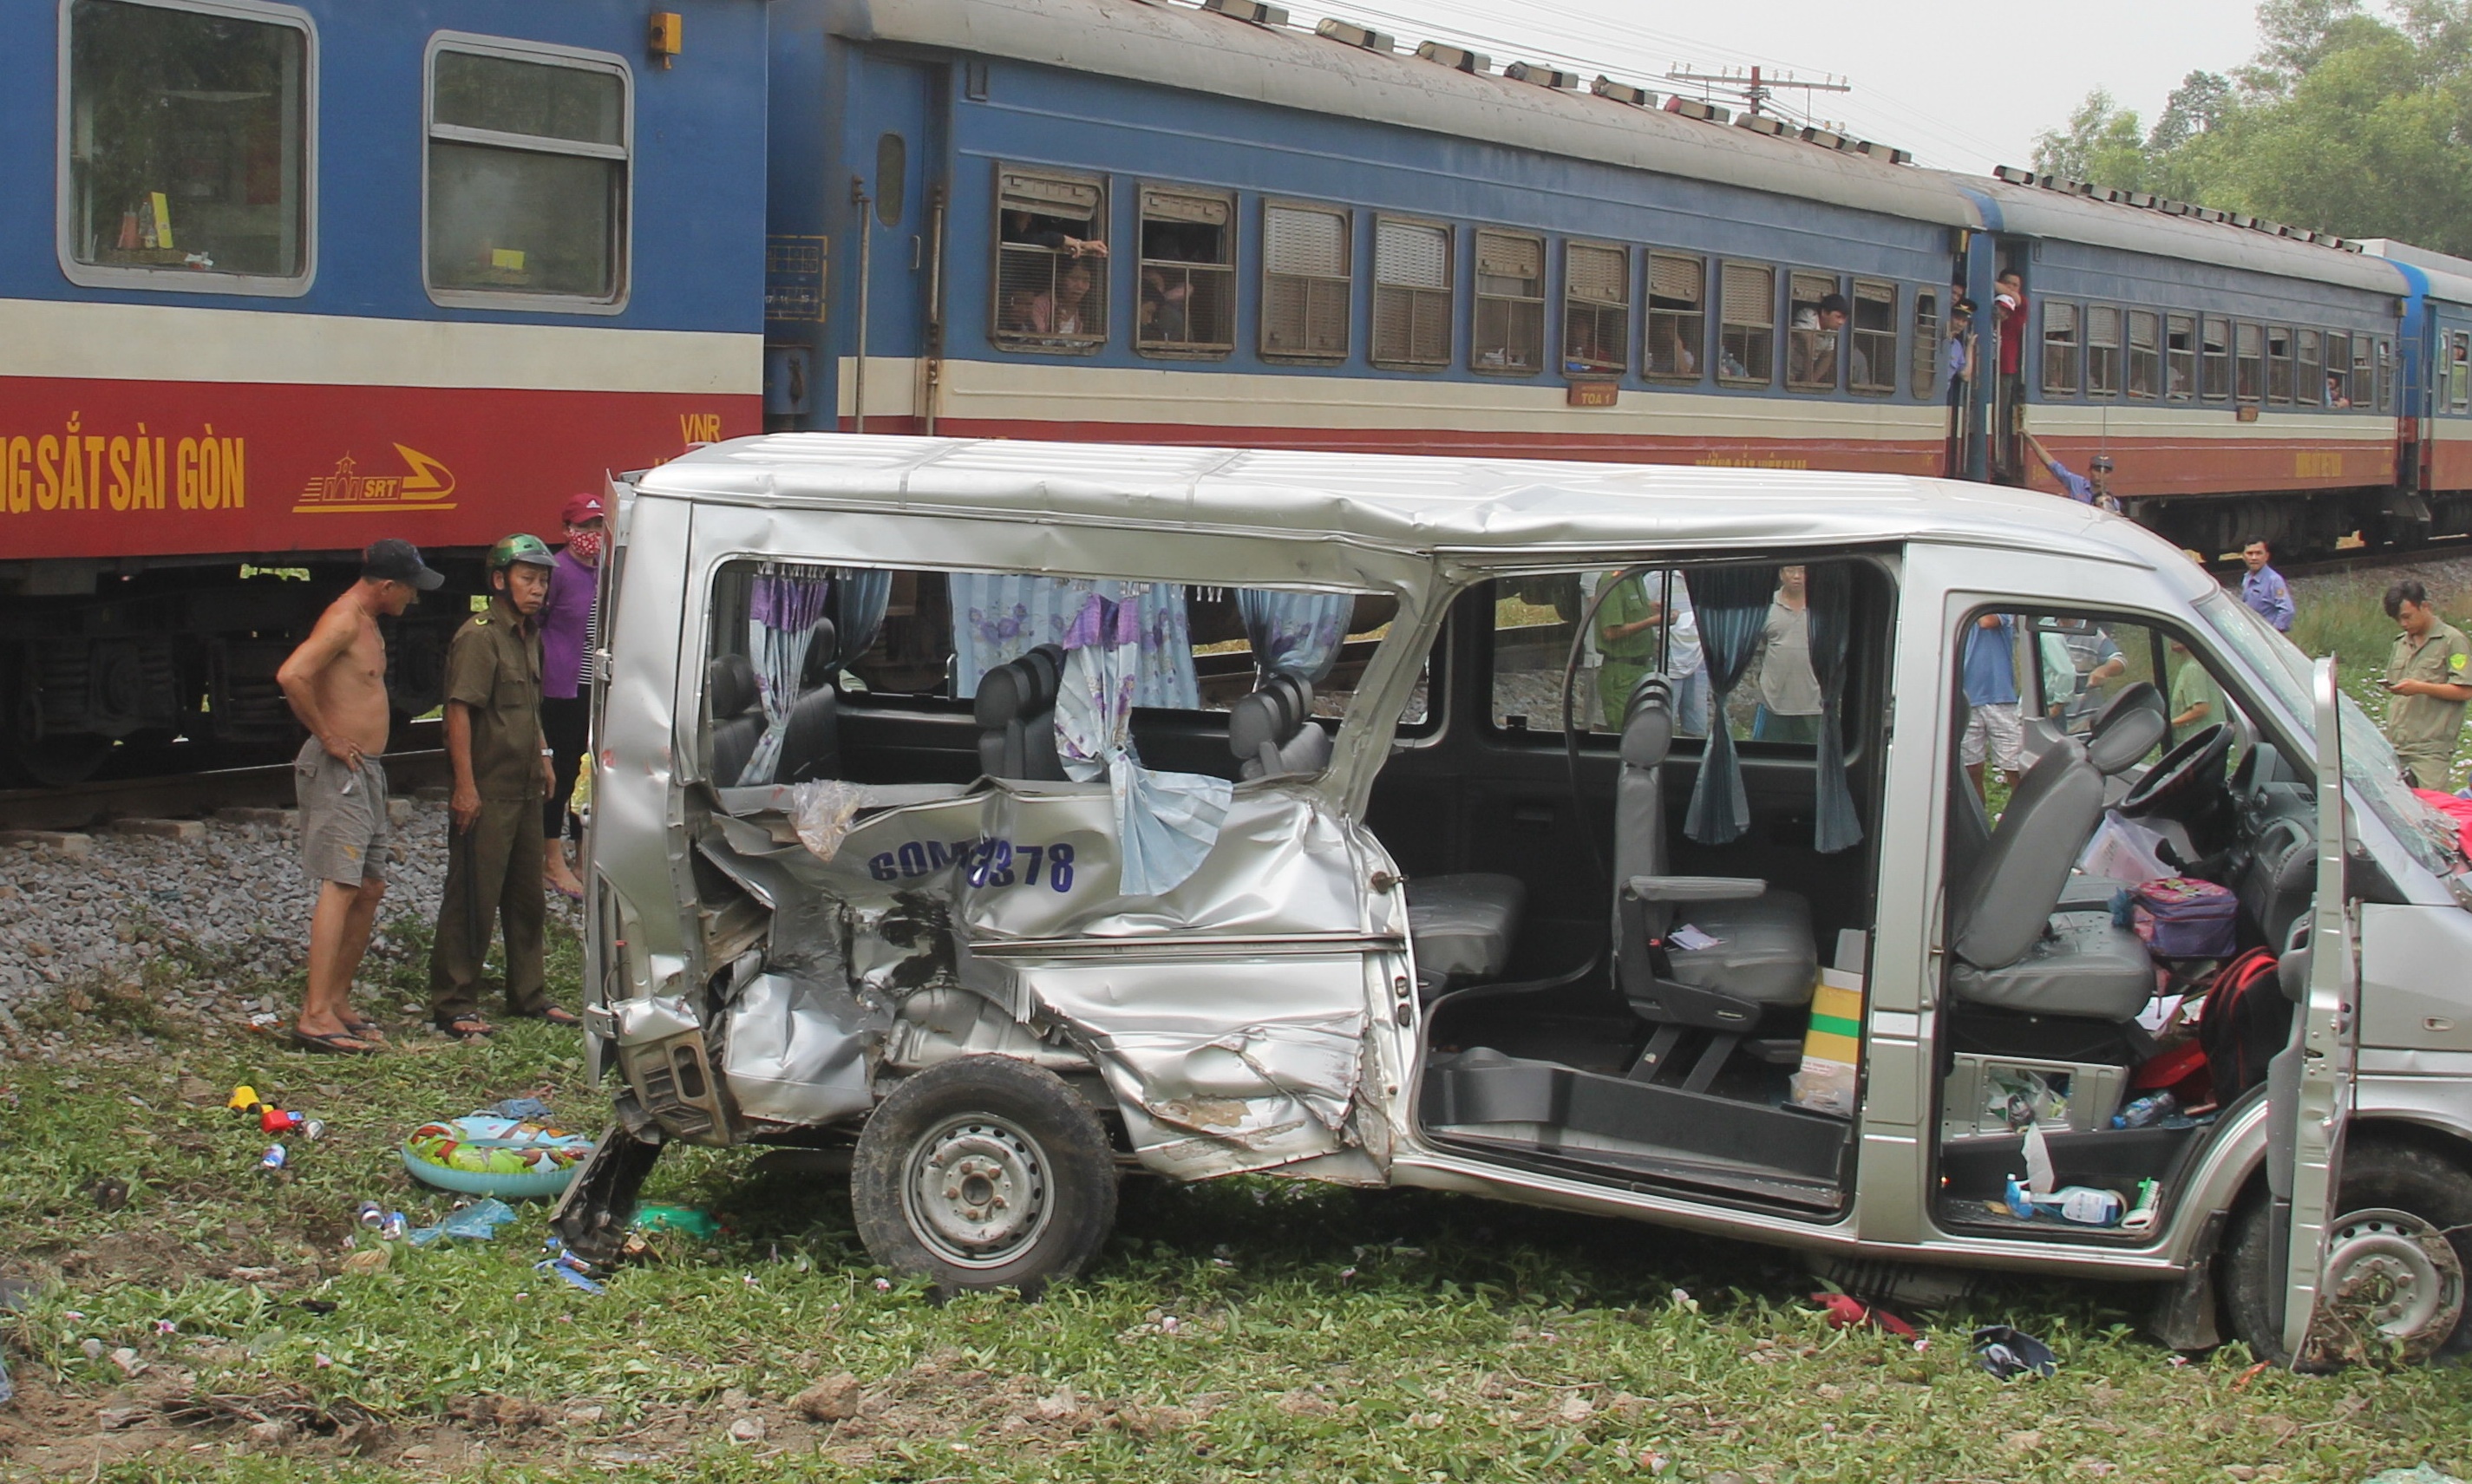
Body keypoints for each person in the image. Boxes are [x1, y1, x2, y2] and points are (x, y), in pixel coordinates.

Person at [273, 539, 445, 1054]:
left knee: (369, 886)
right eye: (410, 589)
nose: (413, 599)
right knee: (342, 884)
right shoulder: (343, 620)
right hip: (339, 770)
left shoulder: (368, 623)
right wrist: (327, 736)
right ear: (387, 586)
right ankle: (315, 1014)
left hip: (367, 770)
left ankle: (338, 1000)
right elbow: (292, 674)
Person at [429, 534, 579, 1038]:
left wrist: (544, 754)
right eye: (527, 579)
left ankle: (529, 994)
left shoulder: (527, 634)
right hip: (489, 787)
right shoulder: (481, 636)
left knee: (525, 898)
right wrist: (465, 786)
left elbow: (530, 707)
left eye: (543, 581)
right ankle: (455, 1002)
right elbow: (459, 711)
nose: (538, 590)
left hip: (526, 785)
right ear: (499, 581)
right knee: (474, 894)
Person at [539, 493, 605, 902]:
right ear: (568, 532)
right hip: (562, 687)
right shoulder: (558, 572)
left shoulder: (604, 571)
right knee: (560, 772)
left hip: (594, 688)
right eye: (584, 528)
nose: (592, 536)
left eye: (598, 527)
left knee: (589, 772)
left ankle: (582, 855)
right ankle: (552, 856)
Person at [2381, 579, 2472, 788]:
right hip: (2397, 744)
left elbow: (2465, 690)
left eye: (2407, 616)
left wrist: (2420, 688)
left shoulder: (2452, 642)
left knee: (2431, 810)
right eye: (2398, 620)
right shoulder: (2401, 643)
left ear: (2425, 607)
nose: (2404, 624)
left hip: (2430, 749)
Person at [1594, 570, 1707, 736]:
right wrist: (1653, 621)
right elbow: (1610, 632)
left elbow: (1632, 608)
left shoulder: (1636, 577)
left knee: (1647, 731)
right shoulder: (1614, 578)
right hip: (1621, 671)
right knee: (1628, 733)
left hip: (1644, 667)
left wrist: (1651, 607)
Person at [1749, 566, 1824, 743]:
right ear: (1781, 574)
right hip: (1772, 702)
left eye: (1802, 571)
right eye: (1791, 571)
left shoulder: (1823, 607)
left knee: (1811, 761)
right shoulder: (1766, 606)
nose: (1796, 577)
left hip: (1814, 704)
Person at [1963, 611, 2023, 799]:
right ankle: (1979, 825)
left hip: (1999, 698)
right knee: (1970, 771)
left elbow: (1986, 621)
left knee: (2016, 768)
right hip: (1966, 698)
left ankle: (2023, 819)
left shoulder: (1999, 609)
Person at [2038, 618, 2126, 731]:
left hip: (2083, 726)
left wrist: (2103, 671)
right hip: (2050, 724)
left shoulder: (2090, 632)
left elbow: (2119, 661)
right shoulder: (2044, 628)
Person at [1992, 269, 2028, 477]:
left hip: (2006, 368)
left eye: (2015, 284)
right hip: (1986, 365)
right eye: (2008, 283)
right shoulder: (1996, 304)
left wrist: (1995, 283)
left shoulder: (2019, 305)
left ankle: (1999, 458)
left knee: (2000, 415)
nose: (2011, 288)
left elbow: (2014, 297)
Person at [2021, 433, 2117, 510]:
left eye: (2106, 472)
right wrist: (2030, 438)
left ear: (2110, 475)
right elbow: (2052, 465)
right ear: (2090, 470)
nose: (2100, 475)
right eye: (2097, 470)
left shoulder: (2112, 501)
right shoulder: (2077, 483)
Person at [2239, 538, 2294, 632]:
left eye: (2259, 553)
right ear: (2243, 556)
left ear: (2267, 556)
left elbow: (2287, 610)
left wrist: (2274, 633)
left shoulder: (2274, 580)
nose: (2254, 558)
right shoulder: (2247, 577)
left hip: (2265, 636)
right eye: (2250, 553)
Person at [1790, 292, 1847, 385]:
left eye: (1844, 318)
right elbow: (1808, 345)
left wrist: (1812, 381)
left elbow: (1827, 356)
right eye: (1838, 317)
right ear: (1824, 312)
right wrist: (1807, 380)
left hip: (1801, 373)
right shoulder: (1809, 316)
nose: (1841, 322)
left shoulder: (1831, 331)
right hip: (1785, 370)